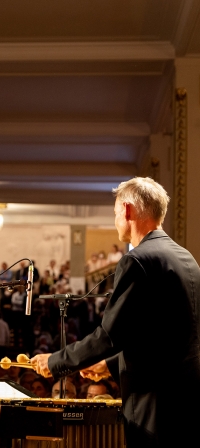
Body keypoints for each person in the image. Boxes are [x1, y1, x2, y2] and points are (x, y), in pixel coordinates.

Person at [31, 177, 200, 448]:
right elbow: (161, 334)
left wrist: (55, 362)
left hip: (154, 404)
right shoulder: (186, 258)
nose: (115, 220)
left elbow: (109, 336)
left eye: (115, 213)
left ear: (128, 211)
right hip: (186, 401)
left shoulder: (138, 260)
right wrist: (108, 366)